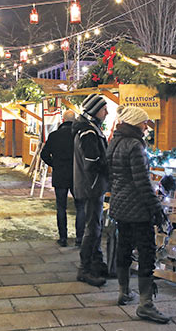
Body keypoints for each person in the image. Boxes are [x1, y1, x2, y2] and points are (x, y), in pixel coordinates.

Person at [108, 106, 170, 324]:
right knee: (146, 252)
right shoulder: (135, 145)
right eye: (144, 122)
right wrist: (156, 208)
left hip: (120, 205)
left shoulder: (115, 142)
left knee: (124, 247)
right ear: (135, 123)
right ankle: (146, 305)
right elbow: (142, 182)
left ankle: (123, 292)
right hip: (137, 208)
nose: (146, 126)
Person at [72, 94, 110, 287]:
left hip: (92, 185)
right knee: (92, 228)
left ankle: (96, 263)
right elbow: (92, 162)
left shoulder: (90, 129)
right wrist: (109, 166)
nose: (107, 113)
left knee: (96, 226)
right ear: (95, 111)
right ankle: (85, 268)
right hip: (91, 186)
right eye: (104, 109)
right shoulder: (89, 132)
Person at [40, 110, 85, 247]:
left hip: (60, 175)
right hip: (76, 175)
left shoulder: (54, 136)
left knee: (61, 207)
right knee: (80, 207)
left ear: (63, 120)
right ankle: (79, 238)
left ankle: (63, 238)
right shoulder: (79, 135)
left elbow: (44, 154)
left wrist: (55, 165)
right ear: (75, 120)